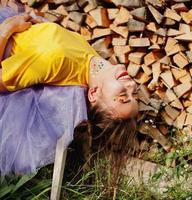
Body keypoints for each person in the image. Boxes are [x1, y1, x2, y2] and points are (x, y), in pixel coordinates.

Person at [0, 6, 139, 185]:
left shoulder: (57, 60)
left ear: (94, 94)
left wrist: (6, 29)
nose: (131, 85)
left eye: (123, 96)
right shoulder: (92, 62)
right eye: (134, 93)